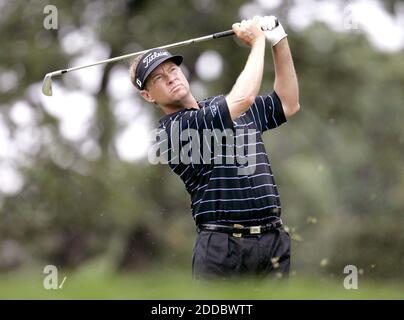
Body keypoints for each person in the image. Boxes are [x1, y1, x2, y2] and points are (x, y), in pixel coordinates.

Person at [129, 16, 300, 280]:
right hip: (223, 249)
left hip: (273, 243)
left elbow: (288, 103)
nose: (170, 78)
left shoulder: (224, 107)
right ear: (148, 95)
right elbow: (244, 97)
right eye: (158, 79)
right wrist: (257, 43)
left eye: (172, 70)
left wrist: (278, 39)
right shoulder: (173, 130)